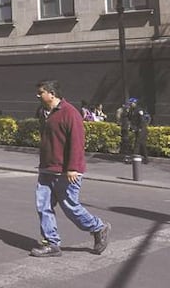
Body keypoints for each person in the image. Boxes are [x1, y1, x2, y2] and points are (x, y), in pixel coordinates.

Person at [30, 80, 111, 258]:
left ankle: (98, 227)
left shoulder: (70, 113)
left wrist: (73, 167)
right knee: (43, 206)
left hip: (67, 171)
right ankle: (51, 243)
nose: (37, 95)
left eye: (41, 92)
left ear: (52, 94)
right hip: (47, 169)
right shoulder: (43, 112)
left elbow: (77, 142)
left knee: (70, 208)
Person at [117, 97, 150, 163]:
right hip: (136, 129)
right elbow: (128, 117)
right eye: (130, 103)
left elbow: (142, 120)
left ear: (135, 103)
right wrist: (126, 111)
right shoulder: (131, 110)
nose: (130, 104)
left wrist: (140, 128)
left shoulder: (139, 110)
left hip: (141, 129)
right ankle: (146, 159)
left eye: (131, 103)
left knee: (137, 144)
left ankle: (133, 159)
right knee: (142, 144)